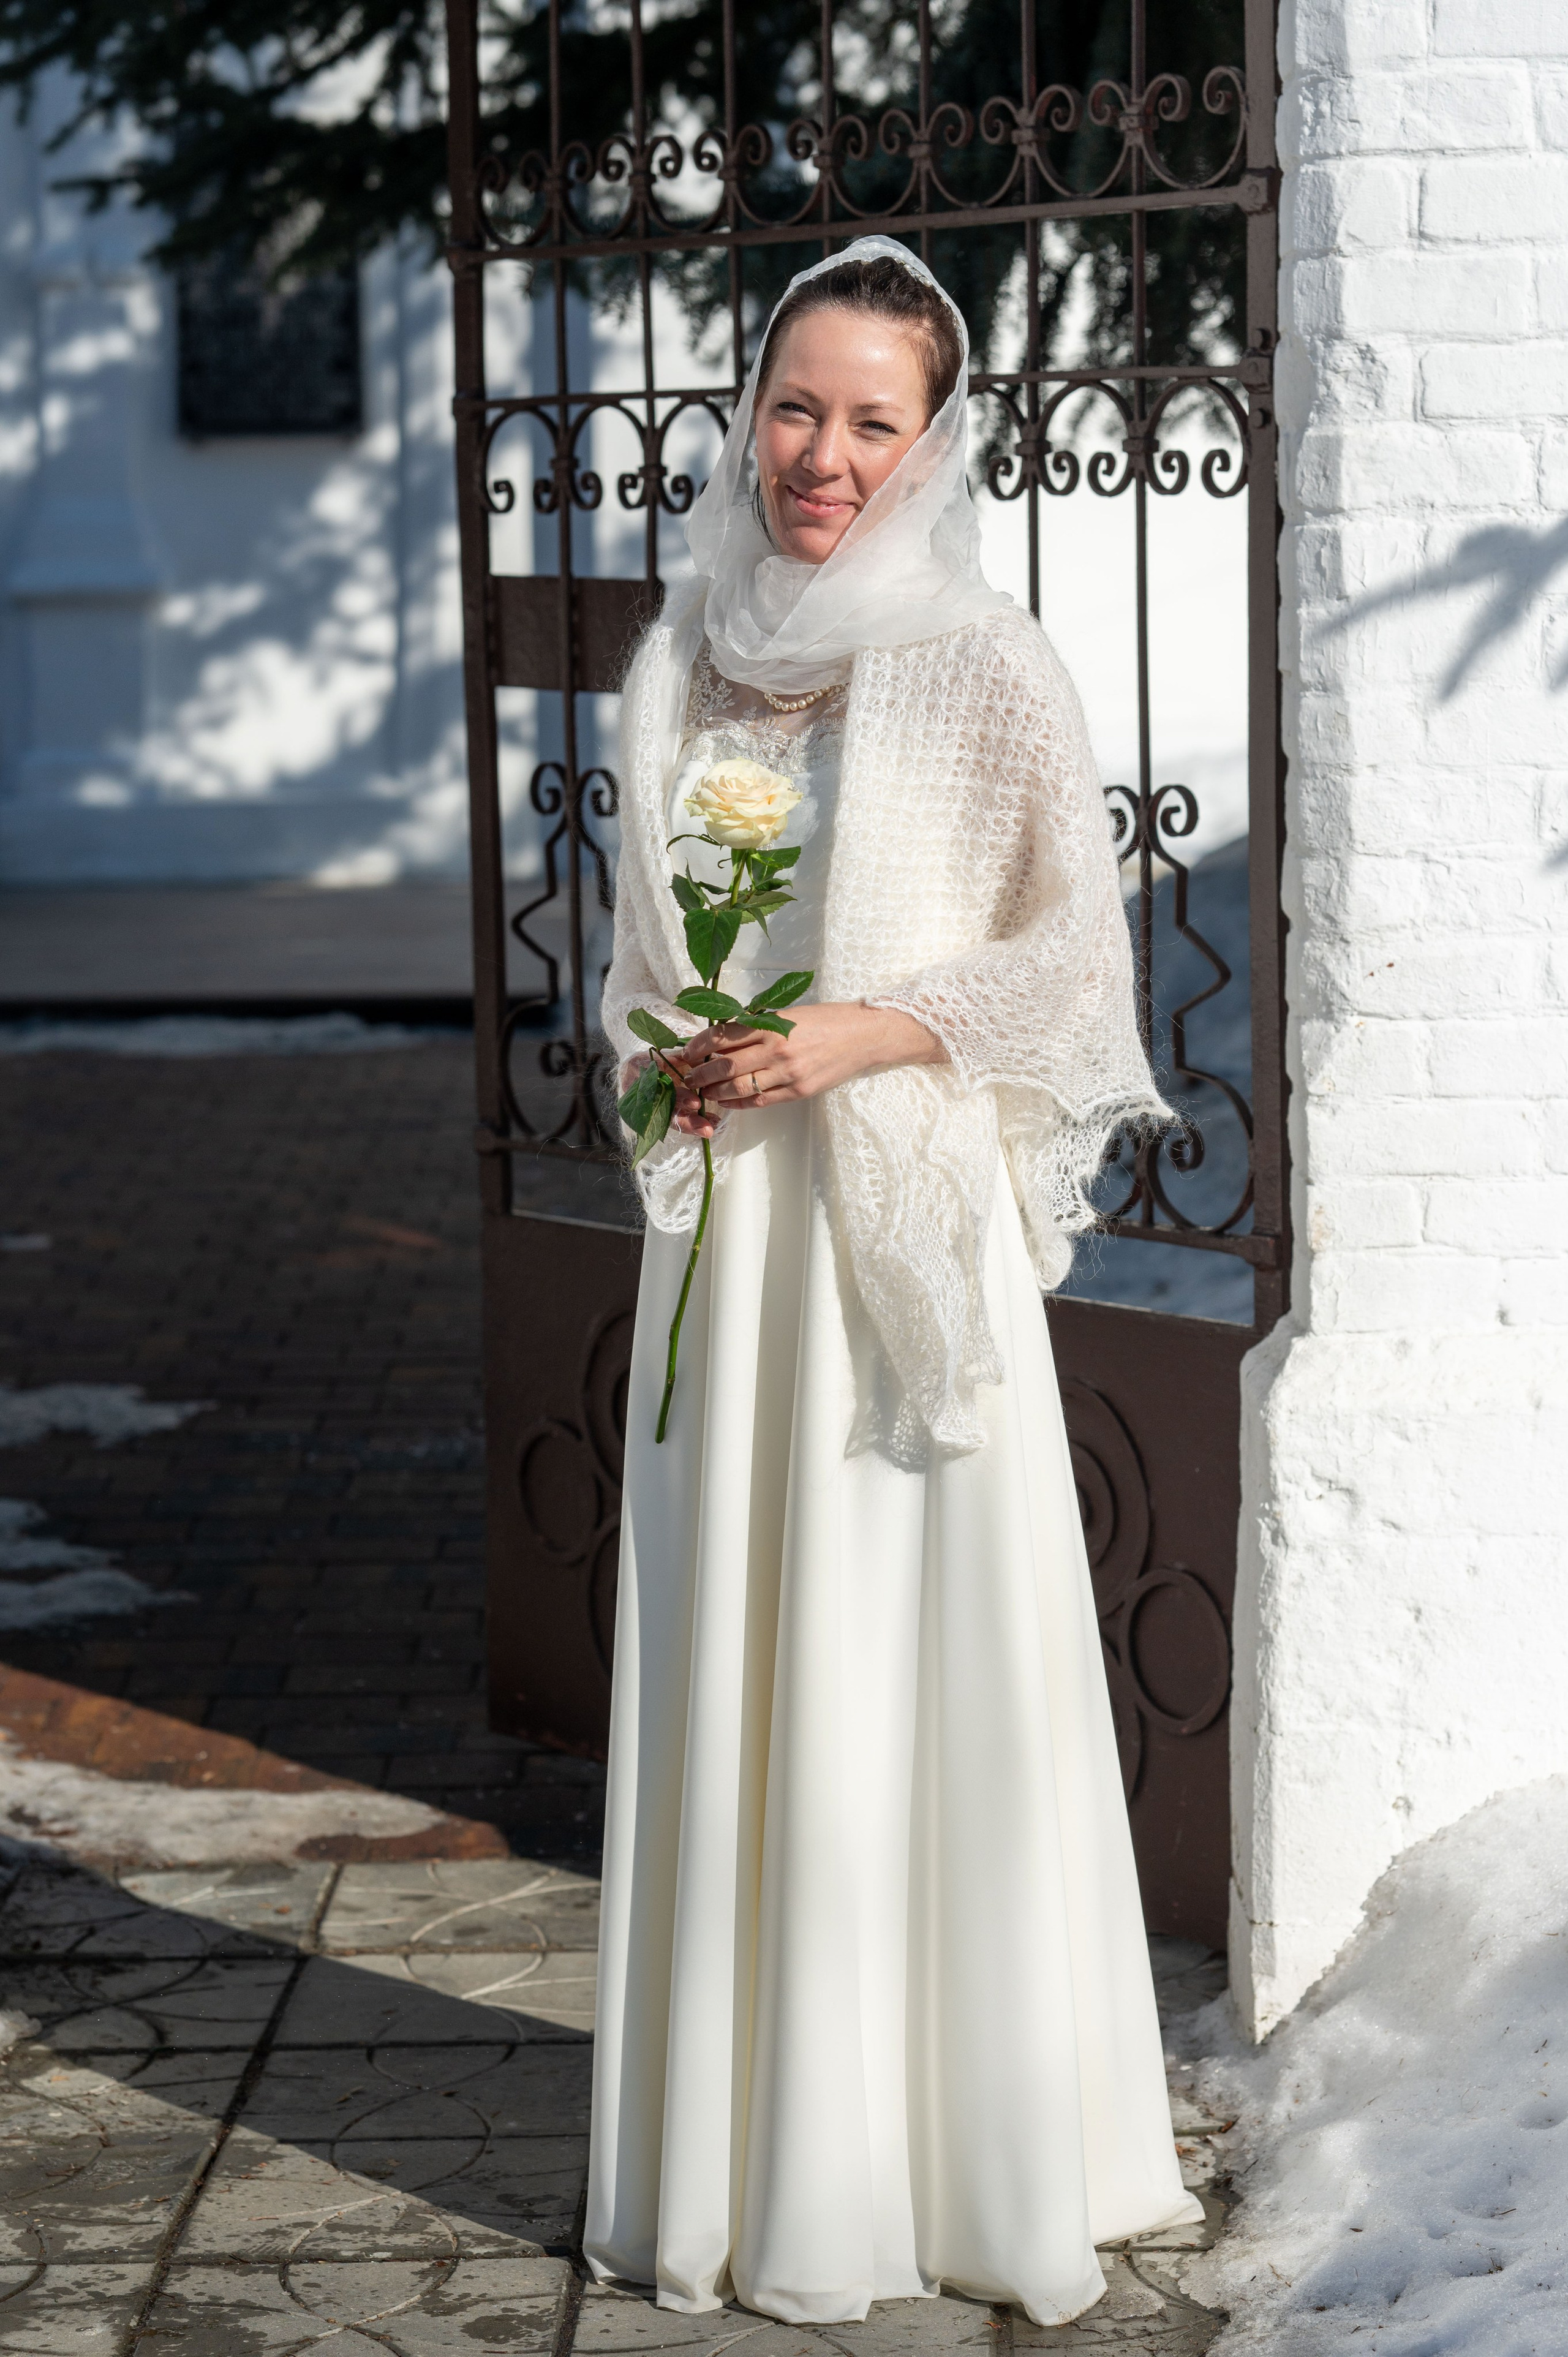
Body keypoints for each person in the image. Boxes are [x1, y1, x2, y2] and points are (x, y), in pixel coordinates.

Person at [585, 233, 1201, 2329]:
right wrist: (678, 1041)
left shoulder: (989, 664)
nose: (823, 455)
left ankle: (967, 2157)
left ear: (931, 445)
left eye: (872, 421)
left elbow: (1077, 973)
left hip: (890, 1250)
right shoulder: (680, 654)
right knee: (744, 1665)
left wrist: (863, 1032)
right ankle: (752, 2162)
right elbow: (636, 951)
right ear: (750, 407)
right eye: (795, 406)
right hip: (732, 1237)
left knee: (904, 1667)